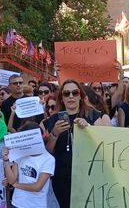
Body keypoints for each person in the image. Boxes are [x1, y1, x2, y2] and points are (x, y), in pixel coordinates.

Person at [43, 79, 111, 207]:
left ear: (80, 96)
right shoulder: (53, 120)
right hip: (62, 177)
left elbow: (104, 145)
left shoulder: (93, 115)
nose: (71, 96)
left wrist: (89, 128)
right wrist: (54, 134)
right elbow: (48, 151)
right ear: (61, 98)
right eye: (66, 93)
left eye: (75, 93)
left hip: (88, 175)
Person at [3, 122, 55, 208]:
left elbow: (37, 187)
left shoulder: (48, 159)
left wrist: (17, 185)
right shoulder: (20, 154)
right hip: (17, 203)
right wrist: (6, 160)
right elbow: (11, 180)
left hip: (36, 205)